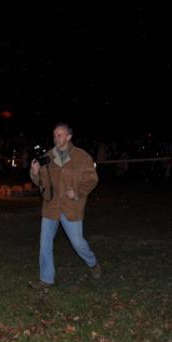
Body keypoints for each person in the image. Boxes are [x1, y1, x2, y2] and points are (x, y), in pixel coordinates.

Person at [29, 123, 100, 289]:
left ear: (69, 137)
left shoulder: (82, 157)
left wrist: (77, 193)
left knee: (78, 243)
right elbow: (41, 182)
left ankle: (93, 263)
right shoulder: (47, 156)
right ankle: (46, 279)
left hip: (71, 207)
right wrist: (35, 173)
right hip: (51, 207)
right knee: (45, 244)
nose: (56, 138)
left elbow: (92, 179)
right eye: (54, 135)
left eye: (60, 135)